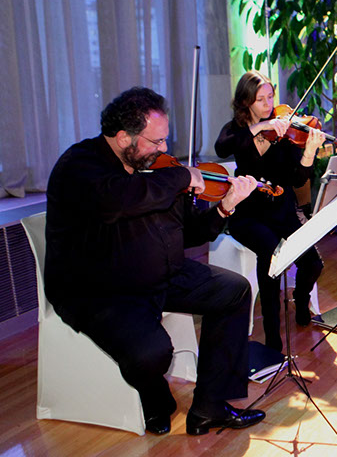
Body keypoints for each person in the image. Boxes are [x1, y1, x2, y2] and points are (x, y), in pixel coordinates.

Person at [45, 87, 266, 436]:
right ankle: (156, 399)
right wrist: (181, 176)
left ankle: (209, 407)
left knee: (235, 291)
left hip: (160, 274)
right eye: (156, 141)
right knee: (152, 353)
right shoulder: (79, 166)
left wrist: (225, 206)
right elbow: (119, 201)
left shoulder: (154, 167)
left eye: (166, 140)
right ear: (123, 137)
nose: (164, 149)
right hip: (99, 289)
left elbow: (190, 233)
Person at [214, 70, 326, 352]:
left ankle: (301, 302)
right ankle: (273, 337)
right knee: (271, 256)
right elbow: (222, 147)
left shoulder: (285, 133)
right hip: (247, 215)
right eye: (260, 99)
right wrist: (257, 129)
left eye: (270, 97)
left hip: (282, 212)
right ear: (246, 103)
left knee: (314, 263)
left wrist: (309, 152)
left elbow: (298, 179)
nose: (268, 104)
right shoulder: (236, 130)